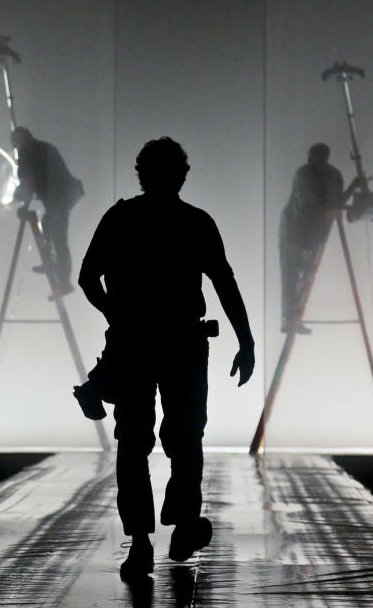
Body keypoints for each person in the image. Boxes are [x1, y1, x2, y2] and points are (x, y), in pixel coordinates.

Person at [77, 137, 255, 579]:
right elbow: (224, 284)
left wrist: (116, 314)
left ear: (141, 173)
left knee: (134, 443)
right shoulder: (195, 222)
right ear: (182, 174)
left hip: (133, 345)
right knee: (186, 435)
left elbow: (87, 278)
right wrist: (245, 341)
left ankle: (141, 542)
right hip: (183, 344)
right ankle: (182, 521)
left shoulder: (121, 218)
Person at [279, 143, 355, 334]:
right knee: (293, 274)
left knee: (307, 275)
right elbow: (312, 205)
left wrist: (354, 187)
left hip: (313, 233)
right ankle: (290, 318)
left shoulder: (333, 175)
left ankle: (295, 317)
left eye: (315, 157)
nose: (310, 160)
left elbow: (335, 203)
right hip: (295, 231)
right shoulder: (304, 175)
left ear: (324, 158)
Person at [11, 127, 84, 298]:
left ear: (20, 141)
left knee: (57, 234)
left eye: (14, 141)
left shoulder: (27, 154)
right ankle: (51, 263)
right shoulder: (44, 147)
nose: (13, 145)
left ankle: (64, 281)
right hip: (66, 193)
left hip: (60, 196)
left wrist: (25, 206)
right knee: (48, 224)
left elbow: (30, 183)